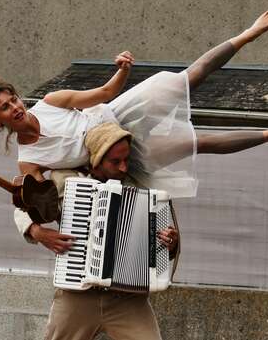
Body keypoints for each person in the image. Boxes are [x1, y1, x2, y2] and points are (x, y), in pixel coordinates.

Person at [0, 10, 268, 198]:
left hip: (117, 114)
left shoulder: (50, 102)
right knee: (198, 143)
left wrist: (123, 71)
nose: (15, 107)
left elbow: (104, 93)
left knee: (188, 78)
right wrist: (31, 215)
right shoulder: (29, 158)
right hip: (114, 153)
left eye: (14, 99)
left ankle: (251, 32)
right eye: (6, 108)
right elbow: (36, 200)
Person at [15, 123, 179, 340]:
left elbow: (160, 251)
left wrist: (169, 243)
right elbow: (22, 207)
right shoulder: (65, 181)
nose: (123, 168)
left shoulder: (142, 190)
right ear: (96, 162)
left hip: (127, 300)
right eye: (115, 161)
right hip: (78, 295)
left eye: (126, 160)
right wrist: (38, 232)